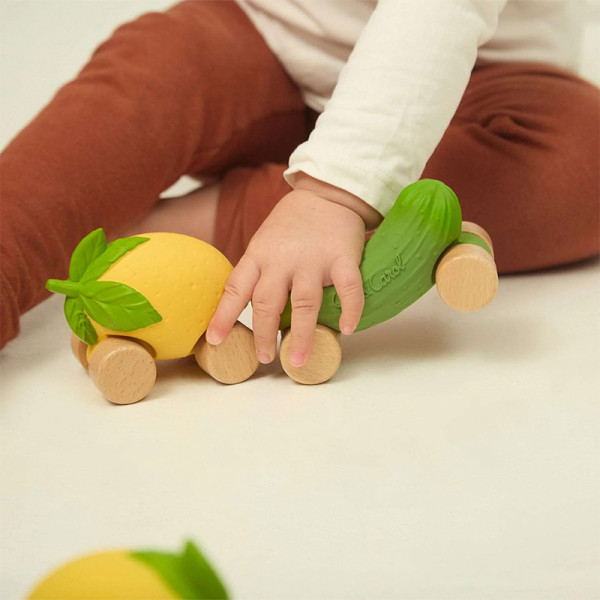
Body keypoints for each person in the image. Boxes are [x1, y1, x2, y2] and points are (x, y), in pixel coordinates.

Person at [1, 0, 598, 366]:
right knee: (152, 77)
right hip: (271, 34)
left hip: (480, 80)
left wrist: (333, 191)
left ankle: (176, 226)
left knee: (583, 161)